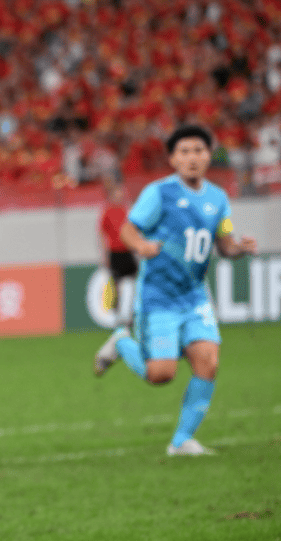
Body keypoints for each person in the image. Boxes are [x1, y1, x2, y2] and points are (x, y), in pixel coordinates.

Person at [93, 124, 258, 456]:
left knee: (208, 362)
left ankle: (182, 441)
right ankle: (121, 341)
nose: (192, 158)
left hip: (195, 297)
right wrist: (141, 245)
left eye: (198, 150)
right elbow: (128, 230)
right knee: (161, 375)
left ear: (209, 155)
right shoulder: (159, 193)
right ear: (172, 159)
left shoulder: (218, 199)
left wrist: (238, 249)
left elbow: (224, 244)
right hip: (158, 298)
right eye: (184, 152)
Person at [98, 181, 137, 327]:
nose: (120, 195)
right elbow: (102, 235)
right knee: (117, 285)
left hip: (128, 252)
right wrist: (104, 255)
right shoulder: (107, 212)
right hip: (115, 253)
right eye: (118, 192)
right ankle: (118, 316)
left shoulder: (127, 210)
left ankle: (131, 313)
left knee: (134, 283)